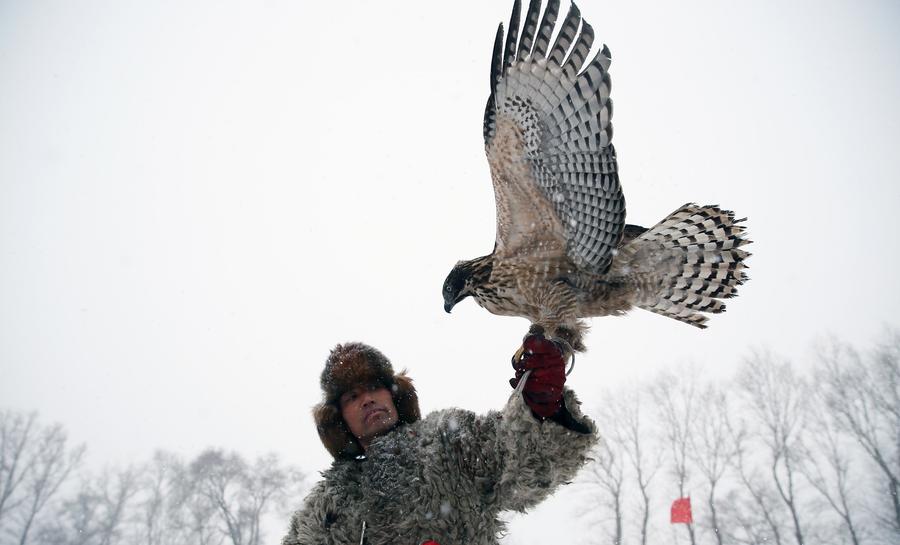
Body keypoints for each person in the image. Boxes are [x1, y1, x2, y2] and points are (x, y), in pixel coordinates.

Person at [281, 335, 597, 545]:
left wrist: (542, 405)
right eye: (353, 395)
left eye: (374, 387)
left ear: (393, 395)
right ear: (339, 418)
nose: (368, 400)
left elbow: (524, 465)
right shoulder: (329, 507)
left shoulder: (448, 440)